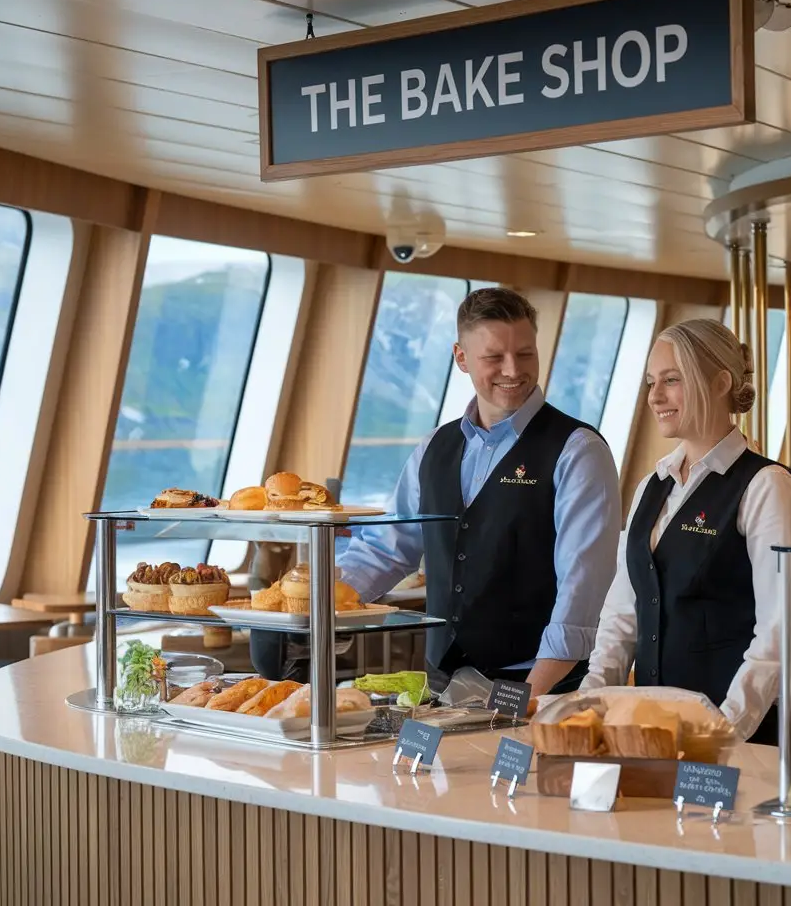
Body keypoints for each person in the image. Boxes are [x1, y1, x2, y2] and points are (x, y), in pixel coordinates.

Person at [258, 288, 622, 697]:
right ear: (461, 357)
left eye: (525, 354)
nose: (512, 369)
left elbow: (583, 586)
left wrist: (531, 696)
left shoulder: (578, 450)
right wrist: (312, 605)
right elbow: (387, 549)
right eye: (493, 357)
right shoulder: (434, 447)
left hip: (539, 681)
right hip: (443, 679)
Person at [580, 318, 791, 744]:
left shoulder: (766, 486)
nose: (655, 397)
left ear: (721, 382)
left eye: (672, 380)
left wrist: (724, 730)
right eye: (651, 382)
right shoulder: (652, 485)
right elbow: (622, 615)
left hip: (738, 736)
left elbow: (780, 632)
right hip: (653, 729)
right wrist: (586, 705)